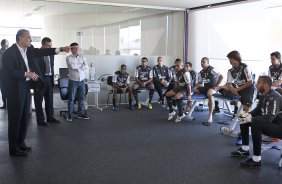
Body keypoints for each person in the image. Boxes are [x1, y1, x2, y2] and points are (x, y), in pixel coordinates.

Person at [2, 29, 69, 156]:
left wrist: (60, 49)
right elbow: (8, 72)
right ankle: (14, 148)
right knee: (15, 120)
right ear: (21, 38)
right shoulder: (9, 53)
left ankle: (21, 143)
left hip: (26, 88)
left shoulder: (30, 49)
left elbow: (42, 51)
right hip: (15, 90)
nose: (31, 40)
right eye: (29, 37)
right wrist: (25, 73)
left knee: (24, 119)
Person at [231, 76, 282, 168]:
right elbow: (257, 111)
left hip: (279, 127)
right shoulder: (263, 95)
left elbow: (269, 118)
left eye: (258, 83)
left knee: (255, 123)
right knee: (244, 117)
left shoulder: (274, 97)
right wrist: (247, 115)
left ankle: (256, 160)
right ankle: (245, 149)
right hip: (272, 123)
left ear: (265, 85)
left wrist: (251, 119)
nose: (256, 85)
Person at [34, 37, 60, 126]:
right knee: (39, 101)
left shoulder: (51, 54)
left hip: (49, 79)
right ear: (43, 44)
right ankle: (40, 120)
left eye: (51, 46)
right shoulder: (37, 53)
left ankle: (50, 117)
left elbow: (51, 66)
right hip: (40, 80)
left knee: (49, 100)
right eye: (48, 46)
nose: (50, 48)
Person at [193, 57, 223, 126]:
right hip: (206, 87)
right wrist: (195, 87)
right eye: (201, 62)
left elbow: (221, 76)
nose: (202, 63)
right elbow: (200, 82)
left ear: (208, 63)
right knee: (195, 90)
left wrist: (216, 85)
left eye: (204, 62)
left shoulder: (211, 69)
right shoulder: (201, 72)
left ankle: (210, 116)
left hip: (213, 87)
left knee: (209, 94)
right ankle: (188, 107)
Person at [66, 42, 89, 122]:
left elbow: (86, 66)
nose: (77, 49)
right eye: (75, 48)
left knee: (81, 98)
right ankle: (70, 115)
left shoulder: (82, 56)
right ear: (71, 49)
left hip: (81, 80)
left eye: (77, 47)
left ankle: (81, 114)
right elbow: (72, 67)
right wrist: (81, 66)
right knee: (71, 99)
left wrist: (80, 66)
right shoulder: (68, 58)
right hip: (73, 80)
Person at [166, 58, 192, 123]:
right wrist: (174, 90)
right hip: (180, 87)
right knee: (167, 94)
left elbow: (188, 85)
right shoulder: (176, 72)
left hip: (186, 88)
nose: (176, 67)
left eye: (178, 66)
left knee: (177, 96)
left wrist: (189, 95)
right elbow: (176, 83)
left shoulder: (185, 72)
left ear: (182, 66)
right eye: (175, 65)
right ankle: (171, 111)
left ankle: (181, 114)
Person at [0, 39, 9, 109]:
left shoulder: (10, 53)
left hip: (9, 73)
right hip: (1, 72)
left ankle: (10, 104)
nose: (6, 47)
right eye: (5, 45)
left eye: (7, 45)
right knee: (3, 89)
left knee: (9, 89)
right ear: (1, 45)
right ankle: (4, 104)